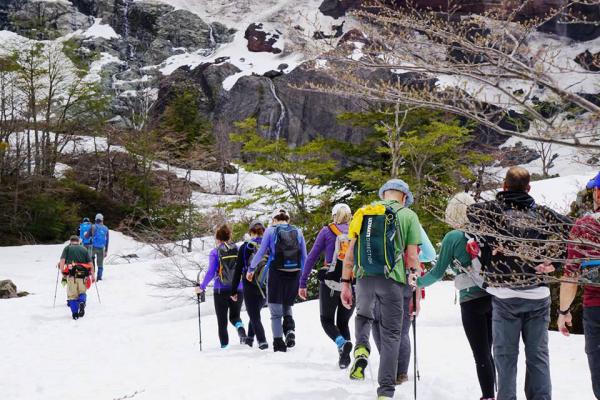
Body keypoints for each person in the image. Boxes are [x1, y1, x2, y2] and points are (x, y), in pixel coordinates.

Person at [468, 166, 571, 400]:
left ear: (504, 186)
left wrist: (493, 238)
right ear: (529, 188)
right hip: (537, 293)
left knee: (505, 357)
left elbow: (471, 212)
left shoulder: (495, 210)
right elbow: (572, 229)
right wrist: (556, 261)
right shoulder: (542, 213)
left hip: (505, 295)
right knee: (538, 356)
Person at [341, 179, 422, 400]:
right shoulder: (408, 216)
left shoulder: (363, 213)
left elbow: (350, 254)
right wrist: (415, 292)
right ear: (404, 197)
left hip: (364, 278)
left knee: (364, 316)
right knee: (392, 335)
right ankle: (385, 391)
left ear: (384, 194)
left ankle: (361, 348)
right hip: (392, 282)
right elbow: (412, 257)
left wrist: (346, 283)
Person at [417, 192, 496, 400]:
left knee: (481, 355)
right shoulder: (485, 234)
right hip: (494, 296)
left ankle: (488, 396)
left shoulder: (453, 237)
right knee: (490, 352)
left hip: (471, 300)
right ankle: (496, 393)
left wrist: (416, 282)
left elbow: (437, 272)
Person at [372, 223, 436, 385]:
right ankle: (401, 373)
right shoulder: (411, 221)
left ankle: (389, 367)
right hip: (407, 277)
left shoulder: (374, 218)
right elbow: (430, 254)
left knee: (378, 323)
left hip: (380, 277)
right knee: (402, 329)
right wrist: (411, 259)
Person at [558, 171, 600, 399]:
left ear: (598, 193)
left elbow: (571, 276)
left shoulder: (585, 226)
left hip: (596, 309)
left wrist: (563, 311)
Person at [298, 203, 354, 368]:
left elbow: (311, 257)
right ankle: (344, 357)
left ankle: (342, 343)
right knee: (343, 322)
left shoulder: (327, 231)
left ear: (334, 216)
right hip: (351, 283)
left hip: (330, 282)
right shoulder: (356, 231)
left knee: (326, 320)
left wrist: (303, 282)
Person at [247, 209, 307, 352]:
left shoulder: (270, 231)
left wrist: (251, 269)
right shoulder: (298, 231)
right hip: (294, 273)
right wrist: (303, 278)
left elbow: (261, 252)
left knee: (275, 312)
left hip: (276, 273)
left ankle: (279, 344)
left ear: (274, 220)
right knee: (287, 304)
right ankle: (290, 329)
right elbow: (305, 256)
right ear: (288, 219)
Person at [197, 224, 246, 349]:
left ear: (217, 239)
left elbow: (211, 272)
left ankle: (225, 346)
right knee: (235, 316)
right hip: (238, 288)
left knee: (222, 321)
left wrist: (202, 287)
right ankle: (240, 329)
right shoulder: (238, 249)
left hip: (220, 290)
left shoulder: (215, 252)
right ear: (229, 237)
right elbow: (243, 268)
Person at [231, 220, 269, 350]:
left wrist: (233, 290)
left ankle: (262, 341)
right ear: (264, 231)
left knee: (254, 315)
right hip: (265, 283)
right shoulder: (268, 245)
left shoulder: (245, 247)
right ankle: (250, 339)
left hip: (249, 283)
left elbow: (238, 270)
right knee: (255, 313)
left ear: (250, 232)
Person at [58, 235, 94, 320]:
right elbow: (90, 263)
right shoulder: (84, 249)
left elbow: (62, 261)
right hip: (83, 276)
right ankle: (82, 302)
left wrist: (62, 272)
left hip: (71, 275)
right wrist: (92, 275)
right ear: (78, 241)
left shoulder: (67, 248)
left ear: (70, 241)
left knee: (72, 296)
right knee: (82, 292)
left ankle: (75, 314)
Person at [90, 213, 109, 281]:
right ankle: (99, 277)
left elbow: (87, 236)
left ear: (96, 219)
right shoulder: (106, 228)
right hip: (101, 248)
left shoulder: (93, 226)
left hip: (93, 247)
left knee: (91, 259)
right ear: (102, 220)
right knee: (100, 264)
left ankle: (92, 274)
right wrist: (106, 250)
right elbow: (107, 240)